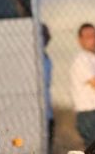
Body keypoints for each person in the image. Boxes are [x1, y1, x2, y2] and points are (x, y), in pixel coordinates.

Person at [41, 23, 54, 154]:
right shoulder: (32, 58)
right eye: (44, 34)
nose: (48, 37)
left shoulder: (46, 57)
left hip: (48, 111)